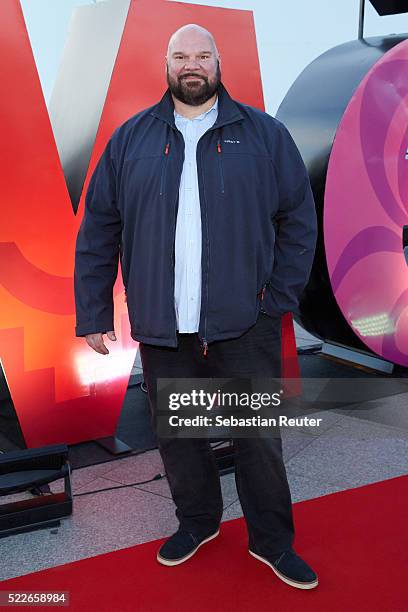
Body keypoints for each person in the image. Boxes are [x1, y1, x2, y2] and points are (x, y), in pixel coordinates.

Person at [74, 23, 318, 589]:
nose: (192, 64)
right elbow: (99, 228)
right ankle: (199, 522)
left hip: (244, 323)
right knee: (180, 438)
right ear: (167, 64)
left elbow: (299, 219)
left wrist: (275, 300)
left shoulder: (263, 135)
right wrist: (92, 312)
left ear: (217, 62)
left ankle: (273, 542)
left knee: (258, 440)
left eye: (202, 55)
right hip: (164, 326)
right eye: (181, 55)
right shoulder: (132, 139)